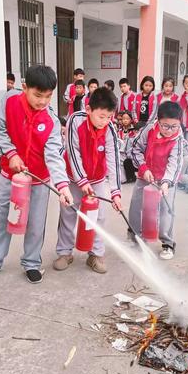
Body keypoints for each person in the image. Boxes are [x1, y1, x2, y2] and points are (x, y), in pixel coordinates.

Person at [0, 65, 73, 284]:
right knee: (1, 219)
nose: (43, 102)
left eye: (48, 97)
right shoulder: (9, 101)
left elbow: (54, 156)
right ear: (25, 88)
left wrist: (63, 186)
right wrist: (11, 153)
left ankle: (31, 263)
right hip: (10, 176)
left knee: (36, 224)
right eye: (38, 95)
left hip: (39, 181)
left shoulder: (51, 122)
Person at [53, 87, 122, 274]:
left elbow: (113, 160)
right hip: (73, 178)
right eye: (101, 116)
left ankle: (95, 254)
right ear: (89, 109)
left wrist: (115, 193)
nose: (105, 121)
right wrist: (82, 181)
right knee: (68, 213)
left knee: (98, 217)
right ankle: (65, 252)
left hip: (98, 179)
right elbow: (72, 152)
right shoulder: (75, 120)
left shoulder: (110, 130)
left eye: (109, 117)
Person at [129, 101, 185, 260]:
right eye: (165, 126)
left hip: (165, 179)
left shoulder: (178, 140)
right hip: (145, 174)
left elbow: (175, 163)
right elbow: (135, 149)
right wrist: (143, 168)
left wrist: (166, 182)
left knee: (165, 210)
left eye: (174, 126)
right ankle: (135, 236)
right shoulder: (149, 130)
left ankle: (168, 243)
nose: (169, 130)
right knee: (136, 206)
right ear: (158, 121)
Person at [118, 111, 137, 184]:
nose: (125, 120)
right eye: (123, 119)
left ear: (131, 120)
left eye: (127, 119)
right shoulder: (119, 131)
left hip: (130, 152)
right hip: (120, 151)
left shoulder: (134, 131)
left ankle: (128, 177)